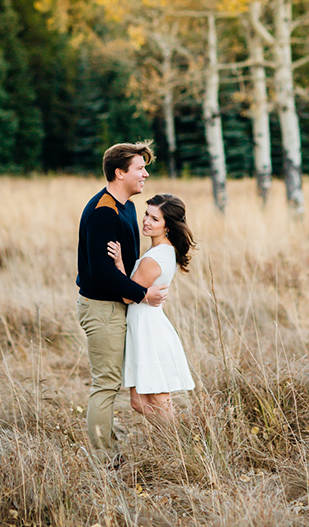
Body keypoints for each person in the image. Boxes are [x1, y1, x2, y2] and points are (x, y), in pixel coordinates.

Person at [76, 140, 168, 467]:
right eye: (139, 168)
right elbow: (101, 274)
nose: (145, 173)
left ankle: (111, 449)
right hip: (102, 308)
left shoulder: (127, 206)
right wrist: (143, 294)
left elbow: (124, 265)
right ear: (119, 172)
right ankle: (106, 461)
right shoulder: (104, 211)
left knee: (115, 381)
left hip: (119, 304)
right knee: (105, 384)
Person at [108, 193, 196, 421]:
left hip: (150, 331)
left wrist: (120, 268)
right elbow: (137, 289)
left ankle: (180, 449)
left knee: (159, 400)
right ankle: (169, 445)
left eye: (155, 219)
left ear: (168, 226)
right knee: (139, 402)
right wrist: (141, 290)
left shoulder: (156, 257)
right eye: (147, 214)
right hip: (142, 327)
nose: (146, 221)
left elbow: (128, 297)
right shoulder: (161, 251)